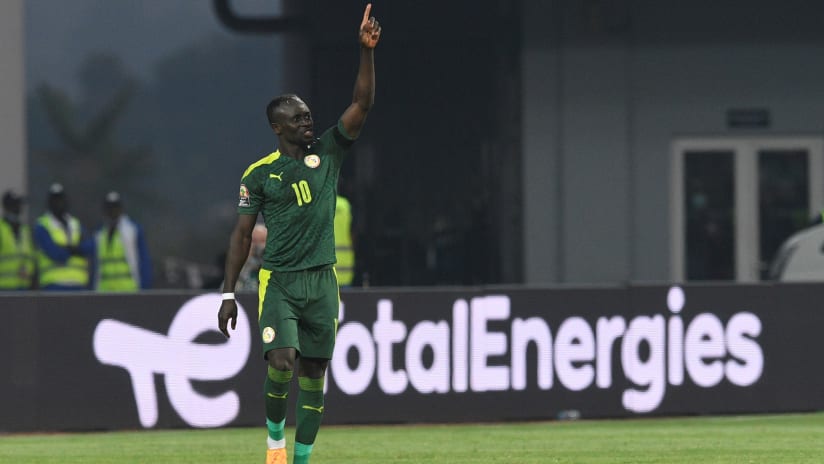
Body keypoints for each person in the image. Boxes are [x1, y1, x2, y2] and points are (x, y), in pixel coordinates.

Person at [217, 4, 381, 463]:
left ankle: (301, 459)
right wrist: (228, 294)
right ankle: (274, 444)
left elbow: (362, 104)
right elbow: (241, 236)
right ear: (277, 127)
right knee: (282, 360)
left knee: (314, 371)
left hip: (323, 281)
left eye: (309, 115)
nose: (309, 122)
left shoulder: (328, 152)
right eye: (299, 118)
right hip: (282, 281)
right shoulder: (260, 175)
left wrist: (365, 52)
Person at [33, 183, 95, 290]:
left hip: (78, 285)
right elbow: (56, 254)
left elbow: (90, 247)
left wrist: (69, 248)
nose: (58, 203)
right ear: (49, 203)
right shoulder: (42, 225)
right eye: (55, 200)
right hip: (53, 285)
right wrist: (75, 249)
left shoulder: (75, 223)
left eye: (60, 199)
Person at [94, 191, 152, 291]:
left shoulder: (132, 229)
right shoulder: (99, 233)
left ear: (121, 209)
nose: (112, 211)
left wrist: (144, 287)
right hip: (104, 290)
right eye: (110, 207)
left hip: (129, 289)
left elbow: (143, 259)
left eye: (115, 207)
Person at [0, 190, 36, 290]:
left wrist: (28, 269)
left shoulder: (25, 230)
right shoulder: (1, 229)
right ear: (7, 207)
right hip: (4, 289)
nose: (19, 209)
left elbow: (31, 257)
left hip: (23, 288)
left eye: (19, 205)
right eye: (15, 205)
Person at [334, 195, 355, 286]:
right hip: (346, 269)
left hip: (326, 271)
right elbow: (353, 231)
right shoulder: (345, 204)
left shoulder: (321, 203)